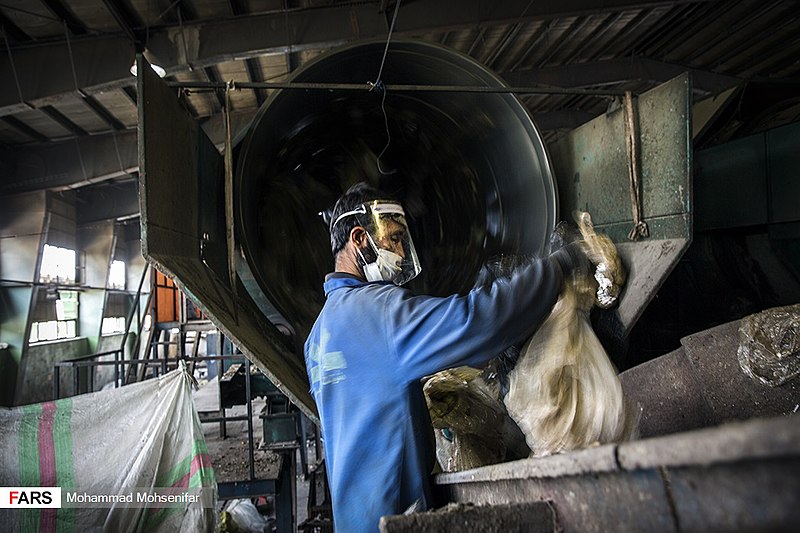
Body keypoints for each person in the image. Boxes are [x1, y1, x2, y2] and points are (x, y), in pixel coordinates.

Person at [304, 182, 586, 532]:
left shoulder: (319, 335)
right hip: (397, 519)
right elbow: (477, 322)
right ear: (360, 239)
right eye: (393, 238)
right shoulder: (376, 314)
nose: (401, 253)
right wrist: (554, 269)